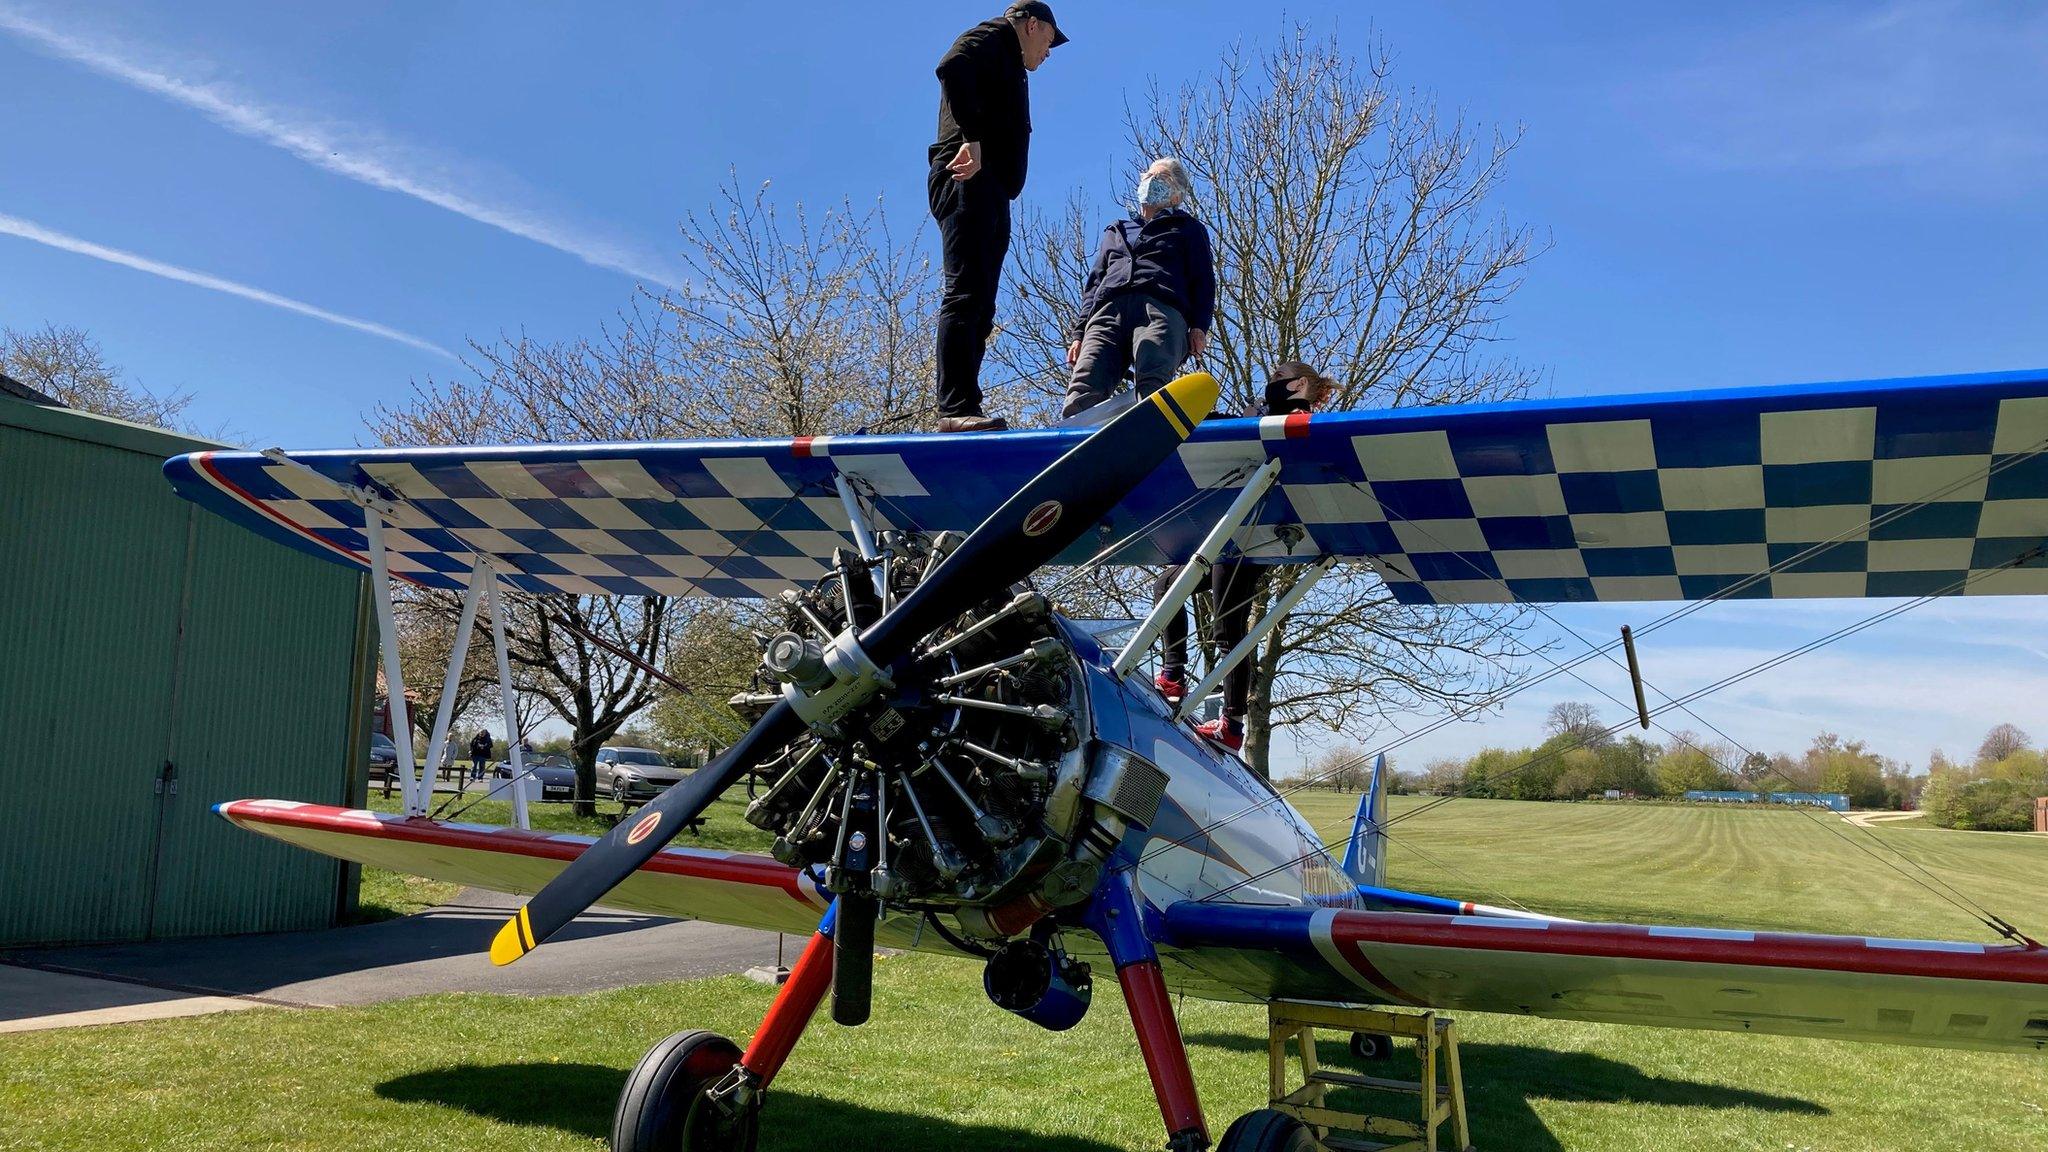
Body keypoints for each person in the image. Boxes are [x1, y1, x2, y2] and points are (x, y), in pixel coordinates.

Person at [1155, 362, 1337, 751]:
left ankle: (1233, 724)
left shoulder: (1301, 423)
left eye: (1276, 382)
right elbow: (1229, 430)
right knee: (1167, 584)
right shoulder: (1262, 415)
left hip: (1255, 540)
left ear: (1299, 384)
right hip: (1226, 531)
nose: (1268, 387)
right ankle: (1173, 673)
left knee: (1228, 629)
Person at [929, 2, 1069, 433]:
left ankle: (966, 404)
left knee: (982, 305)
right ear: (1032, 25)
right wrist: (971, 139)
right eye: (1049, 39)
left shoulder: (1010, 61)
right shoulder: (991, 37)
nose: (1049, 50)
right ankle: (954, 409)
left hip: (992, 191)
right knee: (965, 294)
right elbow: (952, 66)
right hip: (966, 177)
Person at [1061, 158, 1216, 418]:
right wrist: (1079, 334)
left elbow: (1203, 280)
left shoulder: (1188, 229)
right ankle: (1071, 439)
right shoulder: (1117, 230)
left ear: (1177, 194)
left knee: (1153, 374)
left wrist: (1199, 326)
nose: (1151, 182)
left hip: (1162, 309)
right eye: (1148, 176)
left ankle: (1150, 432)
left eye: (1161, 178)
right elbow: (1095, 283)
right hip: (1107, 311)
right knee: (1087, 377)